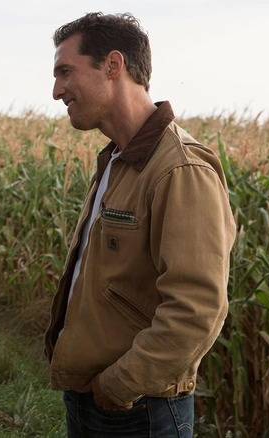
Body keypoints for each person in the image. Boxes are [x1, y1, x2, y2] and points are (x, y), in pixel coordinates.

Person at [43, 12, 236, 437]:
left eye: (65, 72)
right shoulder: (118, 159)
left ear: (113, 66)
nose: (57, 91)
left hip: (140, 411)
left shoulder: (180, 169)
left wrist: (119, 385)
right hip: (91, 398)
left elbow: (196, 307)